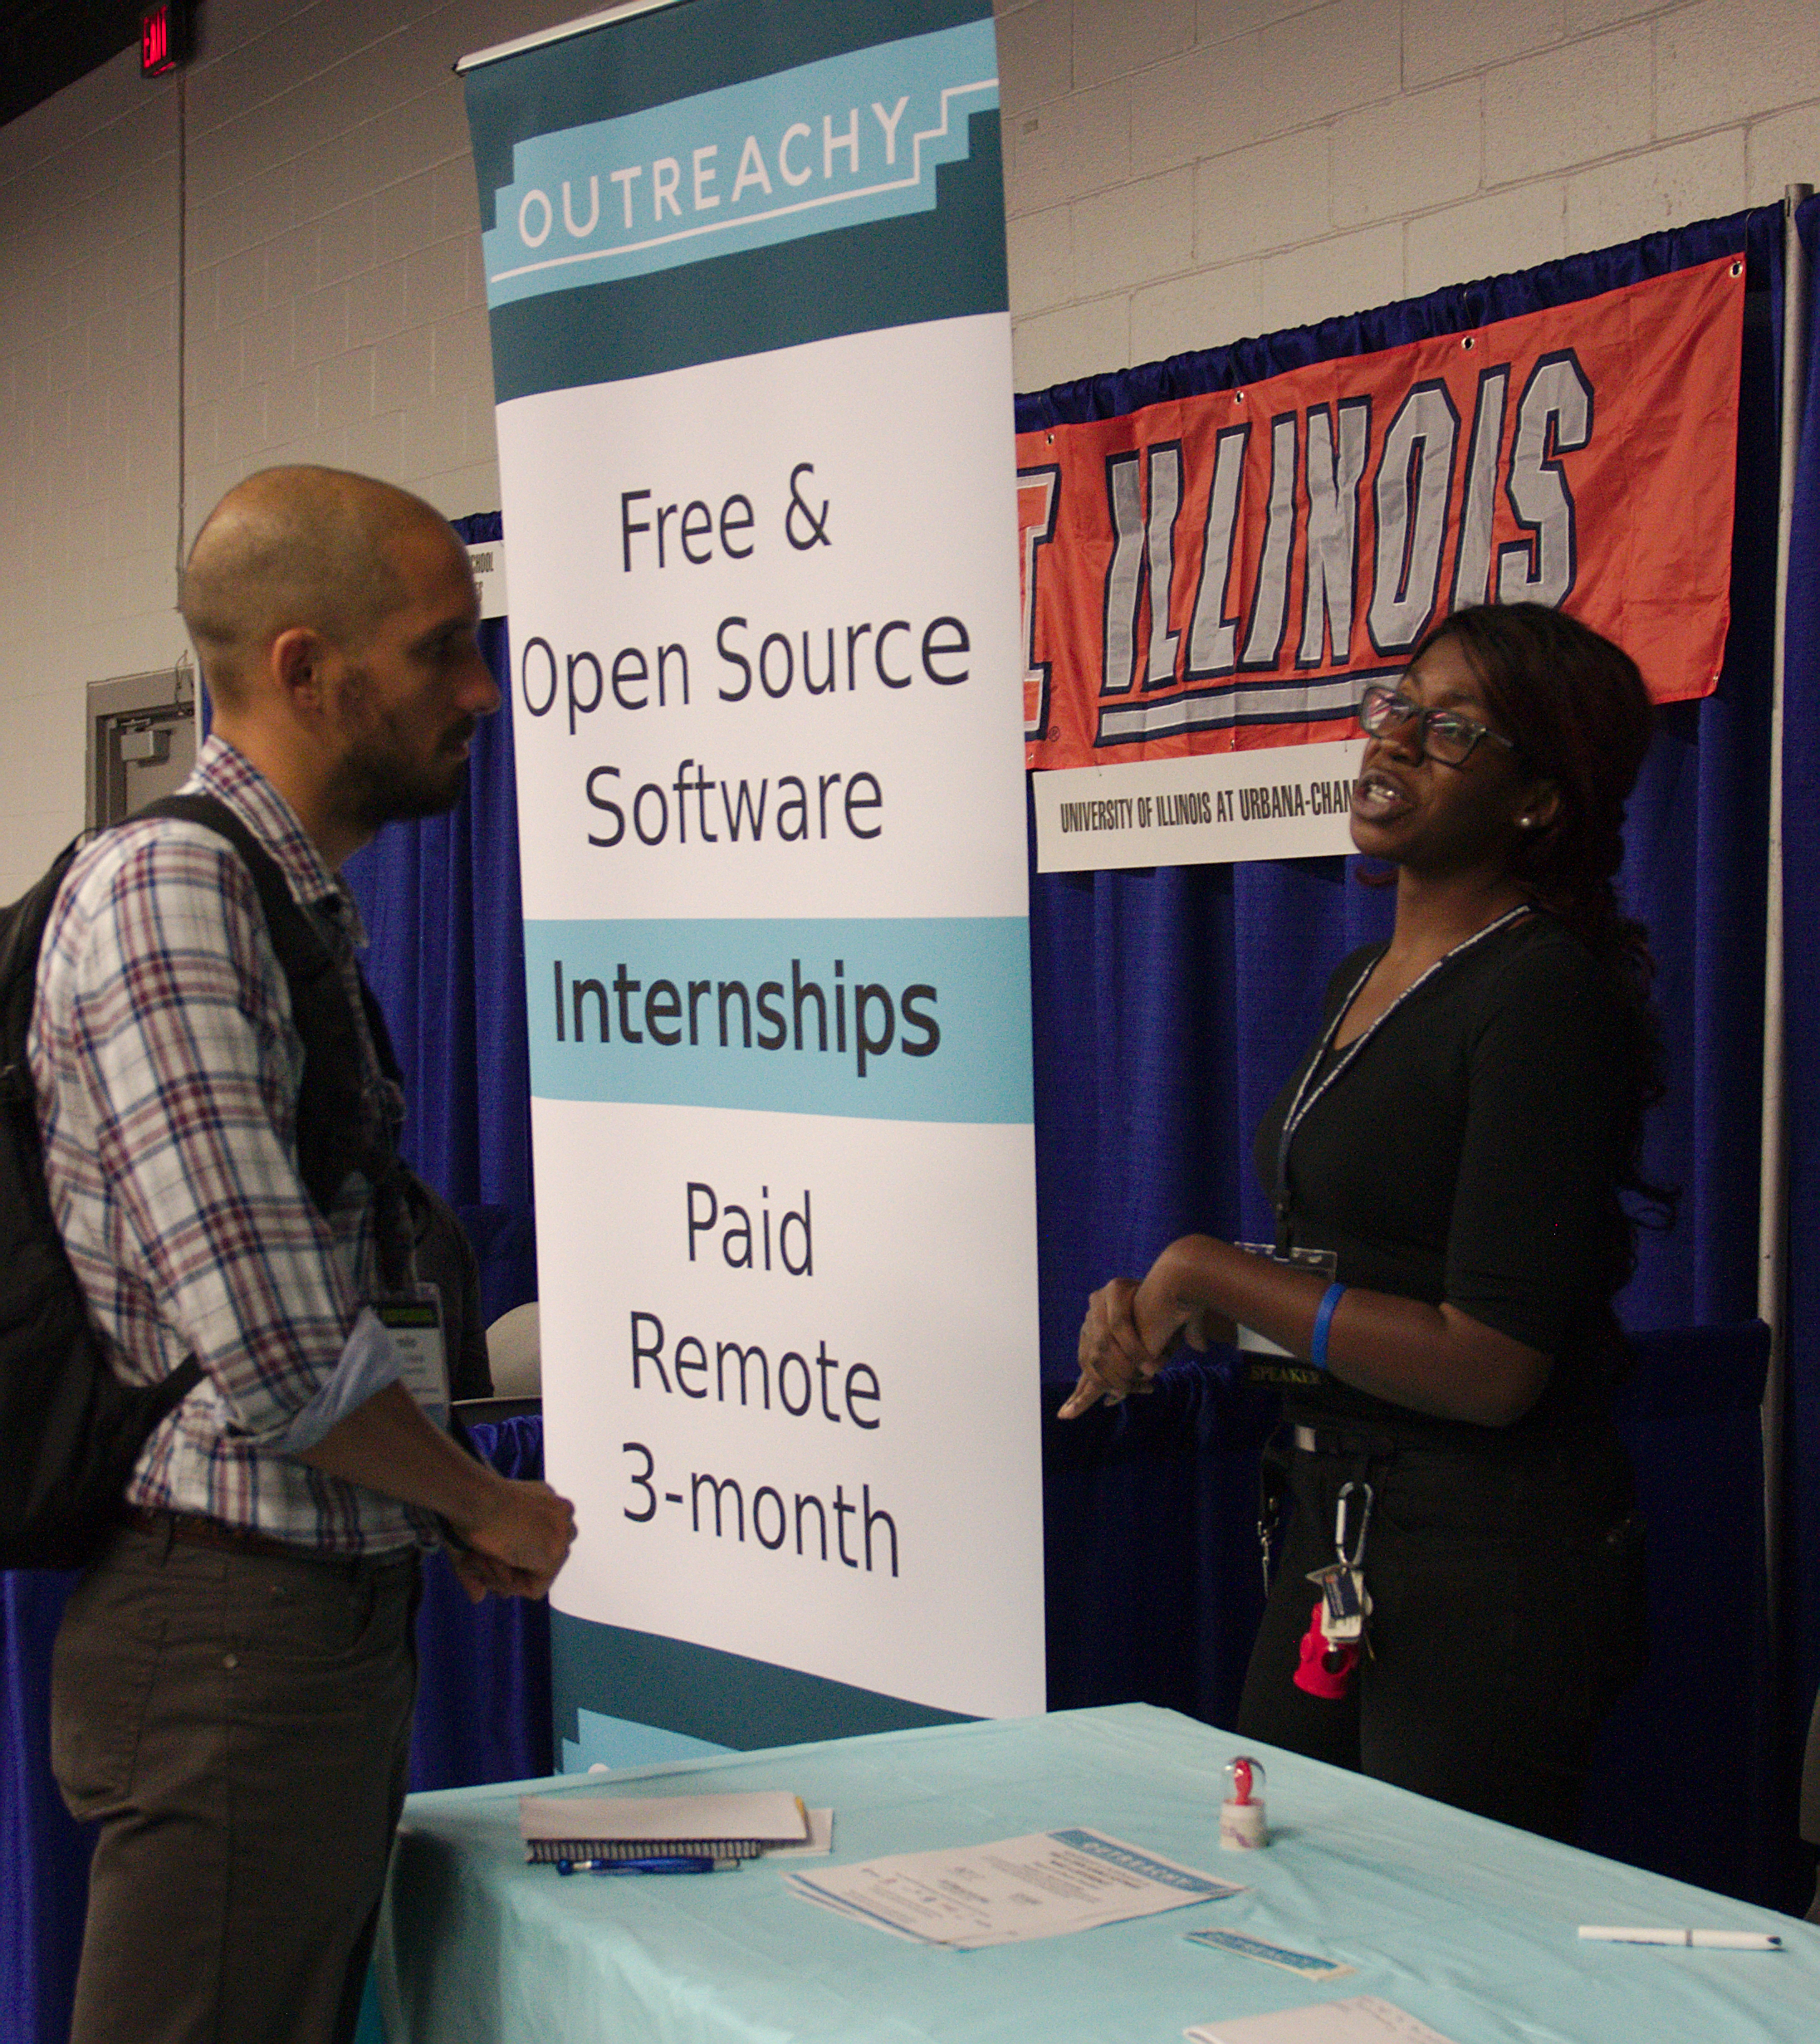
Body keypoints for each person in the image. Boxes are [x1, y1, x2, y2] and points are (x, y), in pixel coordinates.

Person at [29, 466, 578, 2044]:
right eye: (440, 649)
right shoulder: (172, 891)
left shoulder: (284, 901)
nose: (481, 689)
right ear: (303, 667)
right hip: (226, 1640)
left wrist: (426, 1506)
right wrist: (480, 1500)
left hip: (292, 1629)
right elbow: (275, 1354)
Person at [1066, 602, 1664, 1842]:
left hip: (1490, 1558)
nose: (1393, 742)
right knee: (1276, 1900)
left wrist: (1209, 1271)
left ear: (1538, 800)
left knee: (1424, 1978)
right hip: (1341, 1523)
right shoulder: (1359, 981)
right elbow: (1354, 1276)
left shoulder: (1544, 993)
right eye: (1395, 705)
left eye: (1451, 730)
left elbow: (1492, 1364)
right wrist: (1179, 1312)